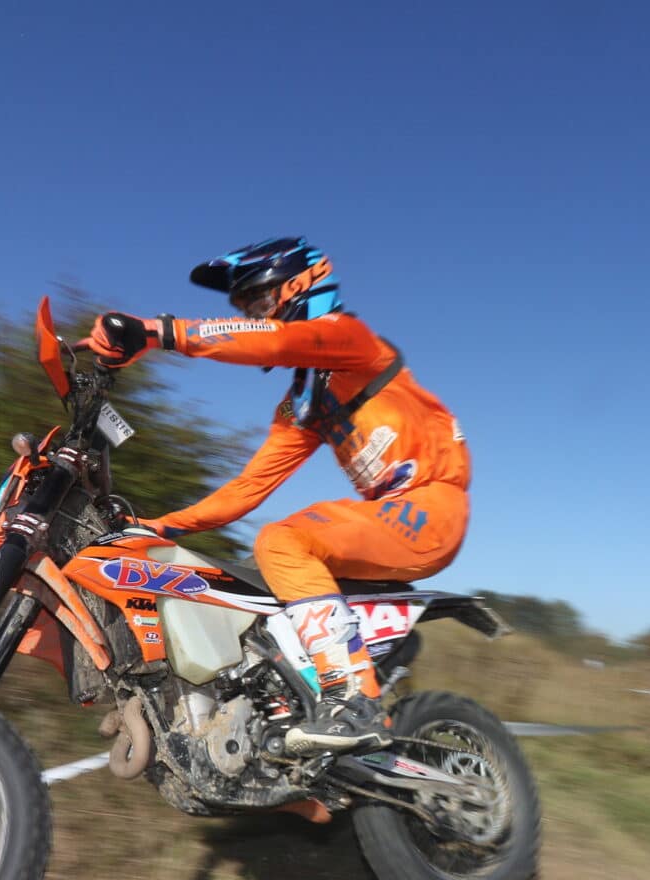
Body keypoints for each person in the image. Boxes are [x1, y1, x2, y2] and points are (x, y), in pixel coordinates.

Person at [87, 237, 470, 754]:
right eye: (247, 308)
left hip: (429, 505)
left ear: (302, 286)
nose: (256, 316)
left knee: (283, 541)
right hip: (393, 514)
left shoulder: (351, 339)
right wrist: (159, 527)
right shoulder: (305, 402)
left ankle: (354, 701)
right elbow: (250, 487)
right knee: (255, 588)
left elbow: (273, 341)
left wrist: (159, 332)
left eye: (261, 301)